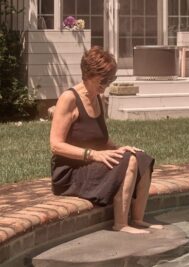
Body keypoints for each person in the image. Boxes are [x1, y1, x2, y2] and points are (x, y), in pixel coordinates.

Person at [50, 46, 161, 234]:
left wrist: (120, 148)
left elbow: (101, 138)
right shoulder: (69, 99)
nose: (107, 84)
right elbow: (55, 145)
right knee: (129, 162)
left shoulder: (98, 98)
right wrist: (93, 155)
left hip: (91, 162)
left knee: (140, 157)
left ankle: (138, 219)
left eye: (111, 79)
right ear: (88, 74)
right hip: (70, 172)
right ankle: (121, 224)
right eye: (103, 79)